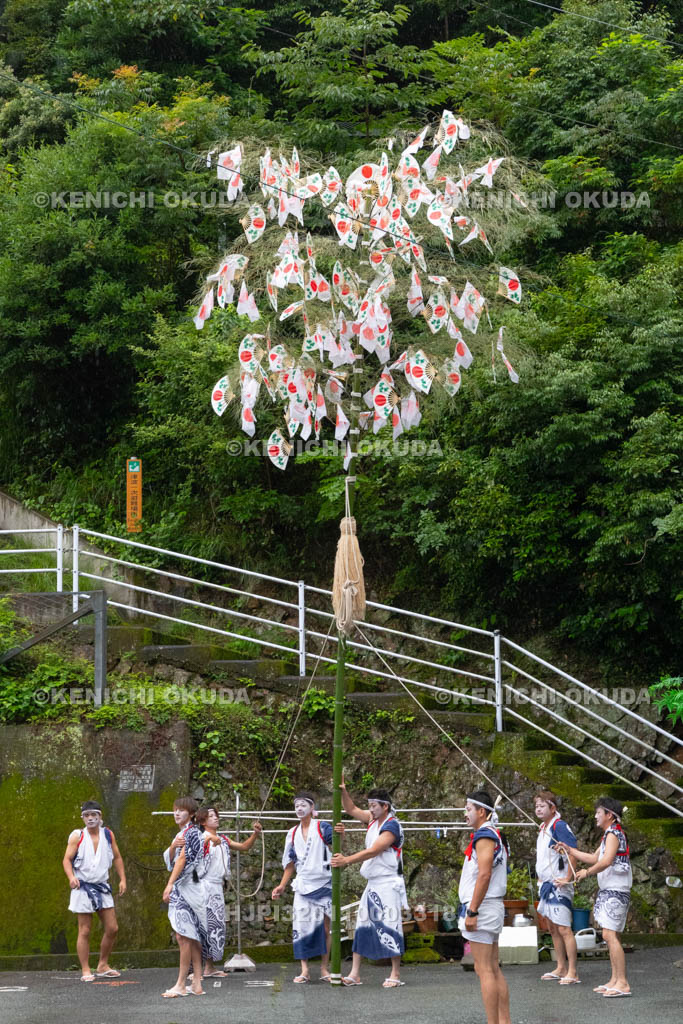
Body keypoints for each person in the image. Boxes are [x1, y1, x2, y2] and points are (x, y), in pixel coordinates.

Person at [331, 780, 407, 989]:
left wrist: (347, 860)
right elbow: (351, 809)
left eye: (374, 806)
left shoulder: (392, 825)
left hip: (388, 883)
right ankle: (355, 973)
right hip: (373, 883)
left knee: (390, 924)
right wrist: (344, 790)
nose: (371, 809)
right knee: (362, 924)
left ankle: (395, 973)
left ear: (385, 806)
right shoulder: (373, 820)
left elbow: (374, 850)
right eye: (370, 805)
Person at [556, 796, 632, 998]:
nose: (596, 816)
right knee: (611, 935)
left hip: (616, 889)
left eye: (599, 812)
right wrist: (569, 850)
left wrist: (587, 873)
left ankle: (622, 982)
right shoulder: (610, 834)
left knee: (609, 935)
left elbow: (606, 862)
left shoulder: (614, 834)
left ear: (609, 815)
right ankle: (615, 980)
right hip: (611, 888)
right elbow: (594, 857)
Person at [457, 789, 511, 1024]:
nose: (465, 813)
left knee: (484, 969)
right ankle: (503, 1021)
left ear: (481, 811)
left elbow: (484, 874)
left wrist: (472, 911)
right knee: (492, 968)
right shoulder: (494, 834)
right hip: (491, 906)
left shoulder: (485, 836)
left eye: (468, 809)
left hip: (483, 907)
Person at [161, 807, 223, 998]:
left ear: (191, 815)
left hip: (189, 888)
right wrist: (173, 846)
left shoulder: (192, 833)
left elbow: (182, 859)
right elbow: (171, 858)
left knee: (184, 936)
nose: (176, 814)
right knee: (191, 936)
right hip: (190, 888)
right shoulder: (185, 834)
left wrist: (170, 884)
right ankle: (196, 982)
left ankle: (181, 983)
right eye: (175, 810)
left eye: (181, 810)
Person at [62, 800, 127, 982]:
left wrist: (122, 879)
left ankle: (103, 964)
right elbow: (66, 859)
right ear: (82, 818)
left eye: (93, 815)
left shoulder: (108, 834)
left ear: (100, 816)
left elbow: (117, 857)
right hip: (82, 887)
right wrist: (71, 877)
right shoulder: (77, 836)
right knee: (85, 930)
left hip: (101, 885)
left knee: (112, 928)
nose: (90, 818)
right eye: (87, 815)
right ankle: (85, 969)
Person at [272, 792, 333, 984]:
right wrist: (282, 885)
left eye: (303, 805)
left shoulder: (322, 827)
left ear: (312, 807)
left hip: (324, 882)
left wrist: (341, 834)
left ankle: (324, 968)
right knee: (301, 926)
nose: (299, 808)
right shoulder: (292, 833)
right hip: (303, 883)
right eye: (296, 805)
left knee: (326, 928)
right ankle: (304, 969)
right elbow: (290, 863)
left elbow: (336, 845)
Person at [196, 806, 262, 978]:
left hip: (217, 886)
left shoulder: (223, 839)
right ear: (203, 821)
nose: (216, 818)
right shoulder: (199, 837)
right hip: (202, 886)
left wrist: (255, 834)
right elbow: (195, 852)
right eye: (211, 816)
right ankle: (195, 969)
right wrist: (209, 839)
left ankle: (209, 967)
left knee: (215, 927)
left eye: (216, 815)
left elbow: (244, 847)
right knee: (201, 927)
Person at [534, 790, 580, 985]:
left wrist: (568, 878)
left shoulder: (559, 826)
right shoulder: (543, 827)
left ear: (553, 808)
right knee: (552, 928)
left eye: (542, 806)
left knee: (564, 928)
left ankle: (573, 971)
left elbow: (573, 851)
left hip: (559, 883)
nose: (538, 809)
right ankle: (561, 967)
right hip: (546, 883)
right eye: (536, 806)